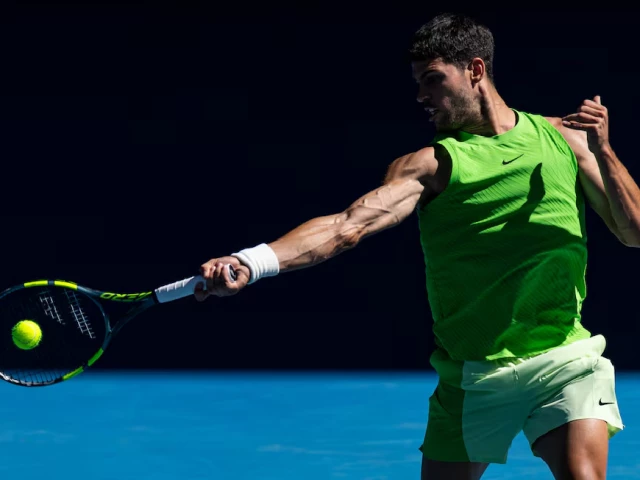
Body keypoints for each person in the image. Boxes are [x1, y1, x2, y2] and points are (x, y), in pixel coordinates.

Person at [194, 13, 639, 480]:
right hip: (474, 376)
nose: (422, 97)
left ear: (475, 70)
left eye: (432, 80)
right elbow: (347, 226)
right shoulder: (431, 165)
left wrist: (604, 150)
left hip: (564, 360)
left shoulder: (568, 139)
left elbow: (634, 233)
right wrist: (252, 261)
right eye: (418, 83)